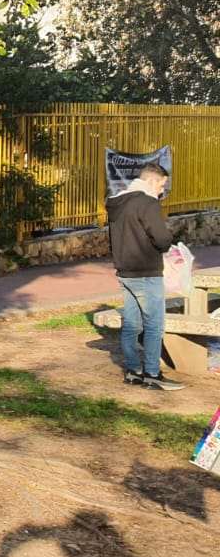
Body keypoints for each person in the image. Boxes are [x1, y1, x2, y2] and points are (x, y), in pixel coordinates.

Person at [106, 162, 184, 391]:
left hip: (125, 271)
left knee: (131, 324)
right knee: (154, 325)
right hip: (147, 272)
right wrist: (168, 240)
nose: (162, 191)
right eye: (162, 186)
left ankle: (133, 371)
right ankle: (152, 373)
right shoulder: (147, 203)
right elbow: (161, 238)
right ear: (151, 181)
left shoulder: (117, 203)